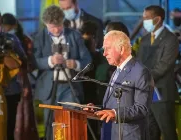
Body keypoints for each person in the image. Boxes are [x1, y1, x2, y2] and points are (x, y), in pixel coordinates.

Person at [33, 5, 91, 139]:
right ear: (46, 24)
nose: (56, 29)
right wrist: (50, 60)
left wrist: (75, 63)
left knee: (72, 122)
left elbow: (87, 59)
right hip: (49, 87)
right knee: (50, 126)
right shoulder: (39, 37)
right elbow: (34, 62)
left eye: (58, 25)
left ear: (62, 21)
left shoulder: (74, 35)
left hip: (69, 87)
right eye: (52, 27)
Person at [86, 30, 154, 140]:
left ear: (121, 49)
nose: (104, 53)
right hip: (111, 132)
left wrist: (115, 113)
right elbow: (116, 103)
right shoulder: (116, 70)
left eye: (107, 48)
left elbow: (142, 108)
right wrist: (97, 109)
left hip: (127, 135)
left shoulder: (140, 71)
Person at [136, 5, 179, 140]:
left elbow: (165, 65)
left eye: (147, 18)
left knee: (168, 131)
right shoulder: (144, 40)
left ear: (158, 19)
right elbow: (139, 62)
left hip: (162, 92)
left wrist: (144, 77)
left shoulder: (170, 39)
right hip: (146, 92)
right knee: (149, 131)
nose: (144, 21)